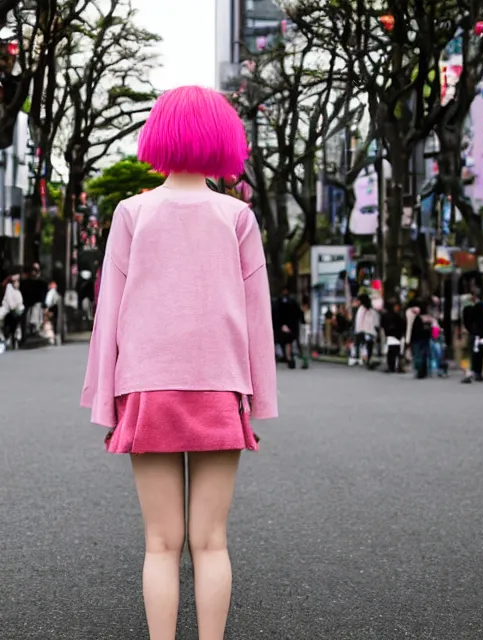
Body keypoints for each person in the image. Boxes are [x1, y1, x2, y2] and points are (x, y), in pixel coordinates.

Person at [80, 86, 277, 640]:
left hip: (147, 387)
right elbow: (256, 316)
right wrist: (258, 397)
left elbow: (109, 313)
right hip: (218, 387)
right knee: (210, 541)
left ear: (158, 135)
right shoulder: (237, 216)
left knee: (160, 543)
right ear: (224, 140)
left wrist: (105, 398)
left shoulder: (131, 212)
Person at [272, 288, 303, 369]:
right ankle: (288, 358)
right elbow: (297, 314)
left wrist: (281, 325)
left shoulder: (277, 302)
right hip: (288, 327)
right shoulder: (291, 302)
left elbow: (275, 315)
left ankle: (284, 358)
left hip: (280, 327)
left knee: (281, 342)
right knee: (288, 343)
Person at [381, 300, 407, 373]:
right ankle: (398, 367)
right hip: (397, 336)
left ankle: (391, 366)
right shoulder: (397, 316)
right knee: (397, 352)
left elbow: (382, 325)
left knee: (391, 352)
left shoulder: (386, 315)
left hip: (389, 336)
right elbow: (402, 325)